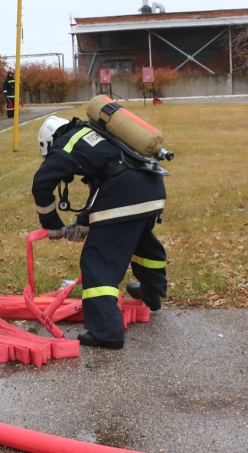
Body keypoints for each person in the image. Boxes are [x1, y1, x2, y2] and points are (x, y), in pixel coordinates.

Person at [31, 115, 168, 349]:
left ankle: (106, 332)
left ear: (50, 142)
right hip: (152, 188)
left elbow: (42, 182)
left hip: (124, 193)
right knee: (141, 243)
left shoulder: (66, 142)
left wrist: (51, 224)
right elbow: (102, 183)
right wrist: (85, 222)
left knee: (97, 262)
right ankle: (152, 292)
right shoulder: (96, 134)